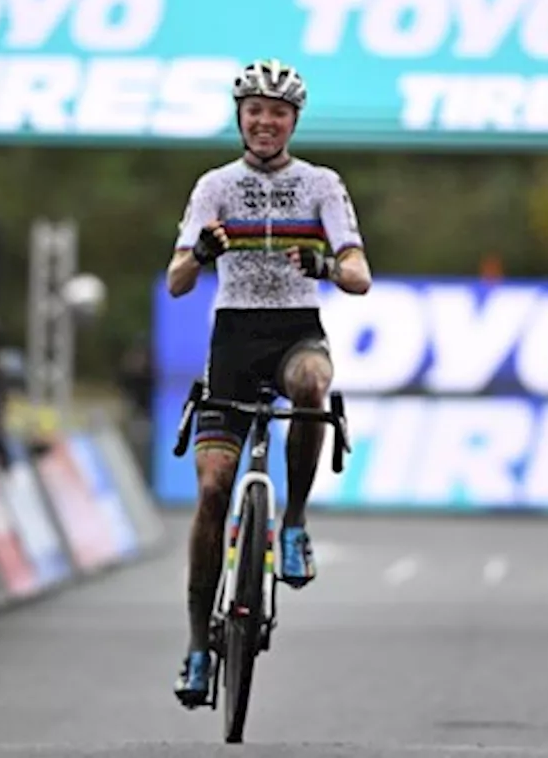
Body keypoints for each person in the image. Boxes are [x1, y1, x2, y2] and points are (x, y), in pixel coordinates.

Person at [166, 59, 372, 706]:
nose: (265, 121)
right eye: (254, 110)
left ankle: (294, 525)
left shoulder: (322, 184)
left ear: (293, 121)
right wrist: (199, 254)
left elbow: (360, 274)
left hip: (293, 332)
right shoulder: (214, 186)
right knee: (210, 494)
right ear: (240, 116)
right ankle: (199, 647)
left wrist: (327, 264)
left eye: (277, 112)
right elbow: (176, 282)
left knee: (312, 383)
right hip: (232, 341)